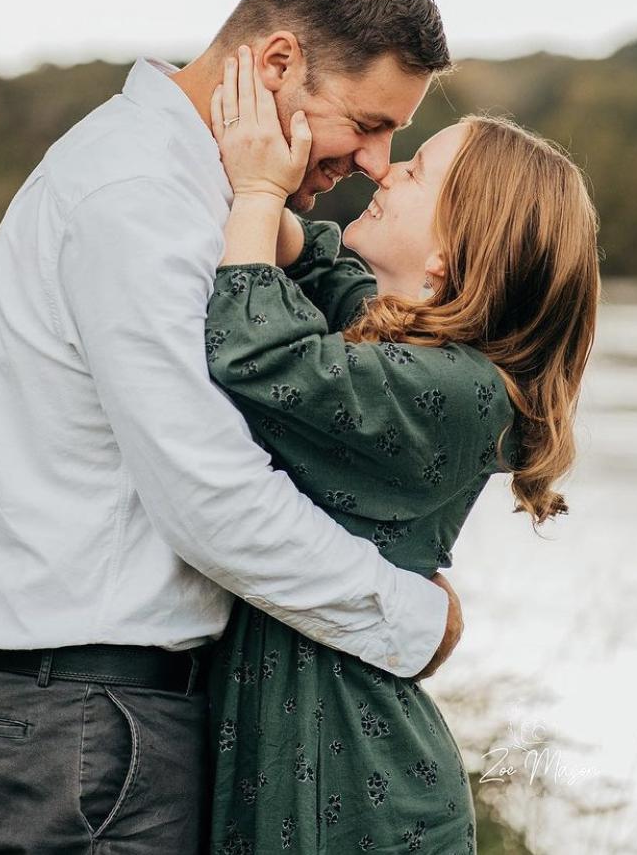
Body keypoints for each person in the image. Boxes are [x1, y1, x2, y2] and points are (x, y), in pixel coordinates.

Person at [0, 0, 467, 854]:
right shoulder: (137, 198)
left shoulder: (200, 191)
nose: (374, 161)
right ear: (280, 60)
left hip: (109, 717)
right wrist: (412, 619)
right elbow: (208, 494)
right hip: (91, 731)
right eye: (368, 123)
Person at [202, 48, 600, 853]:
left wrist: (254, 190)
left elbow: (258, 354)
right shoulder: (405, 349)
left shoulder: (458, 392)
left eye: (415, 174)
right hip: (299, 743)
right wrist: (253, 166)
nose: (385, 175)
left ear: (448, 256)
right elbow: (316, 265)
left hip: (355, 785)